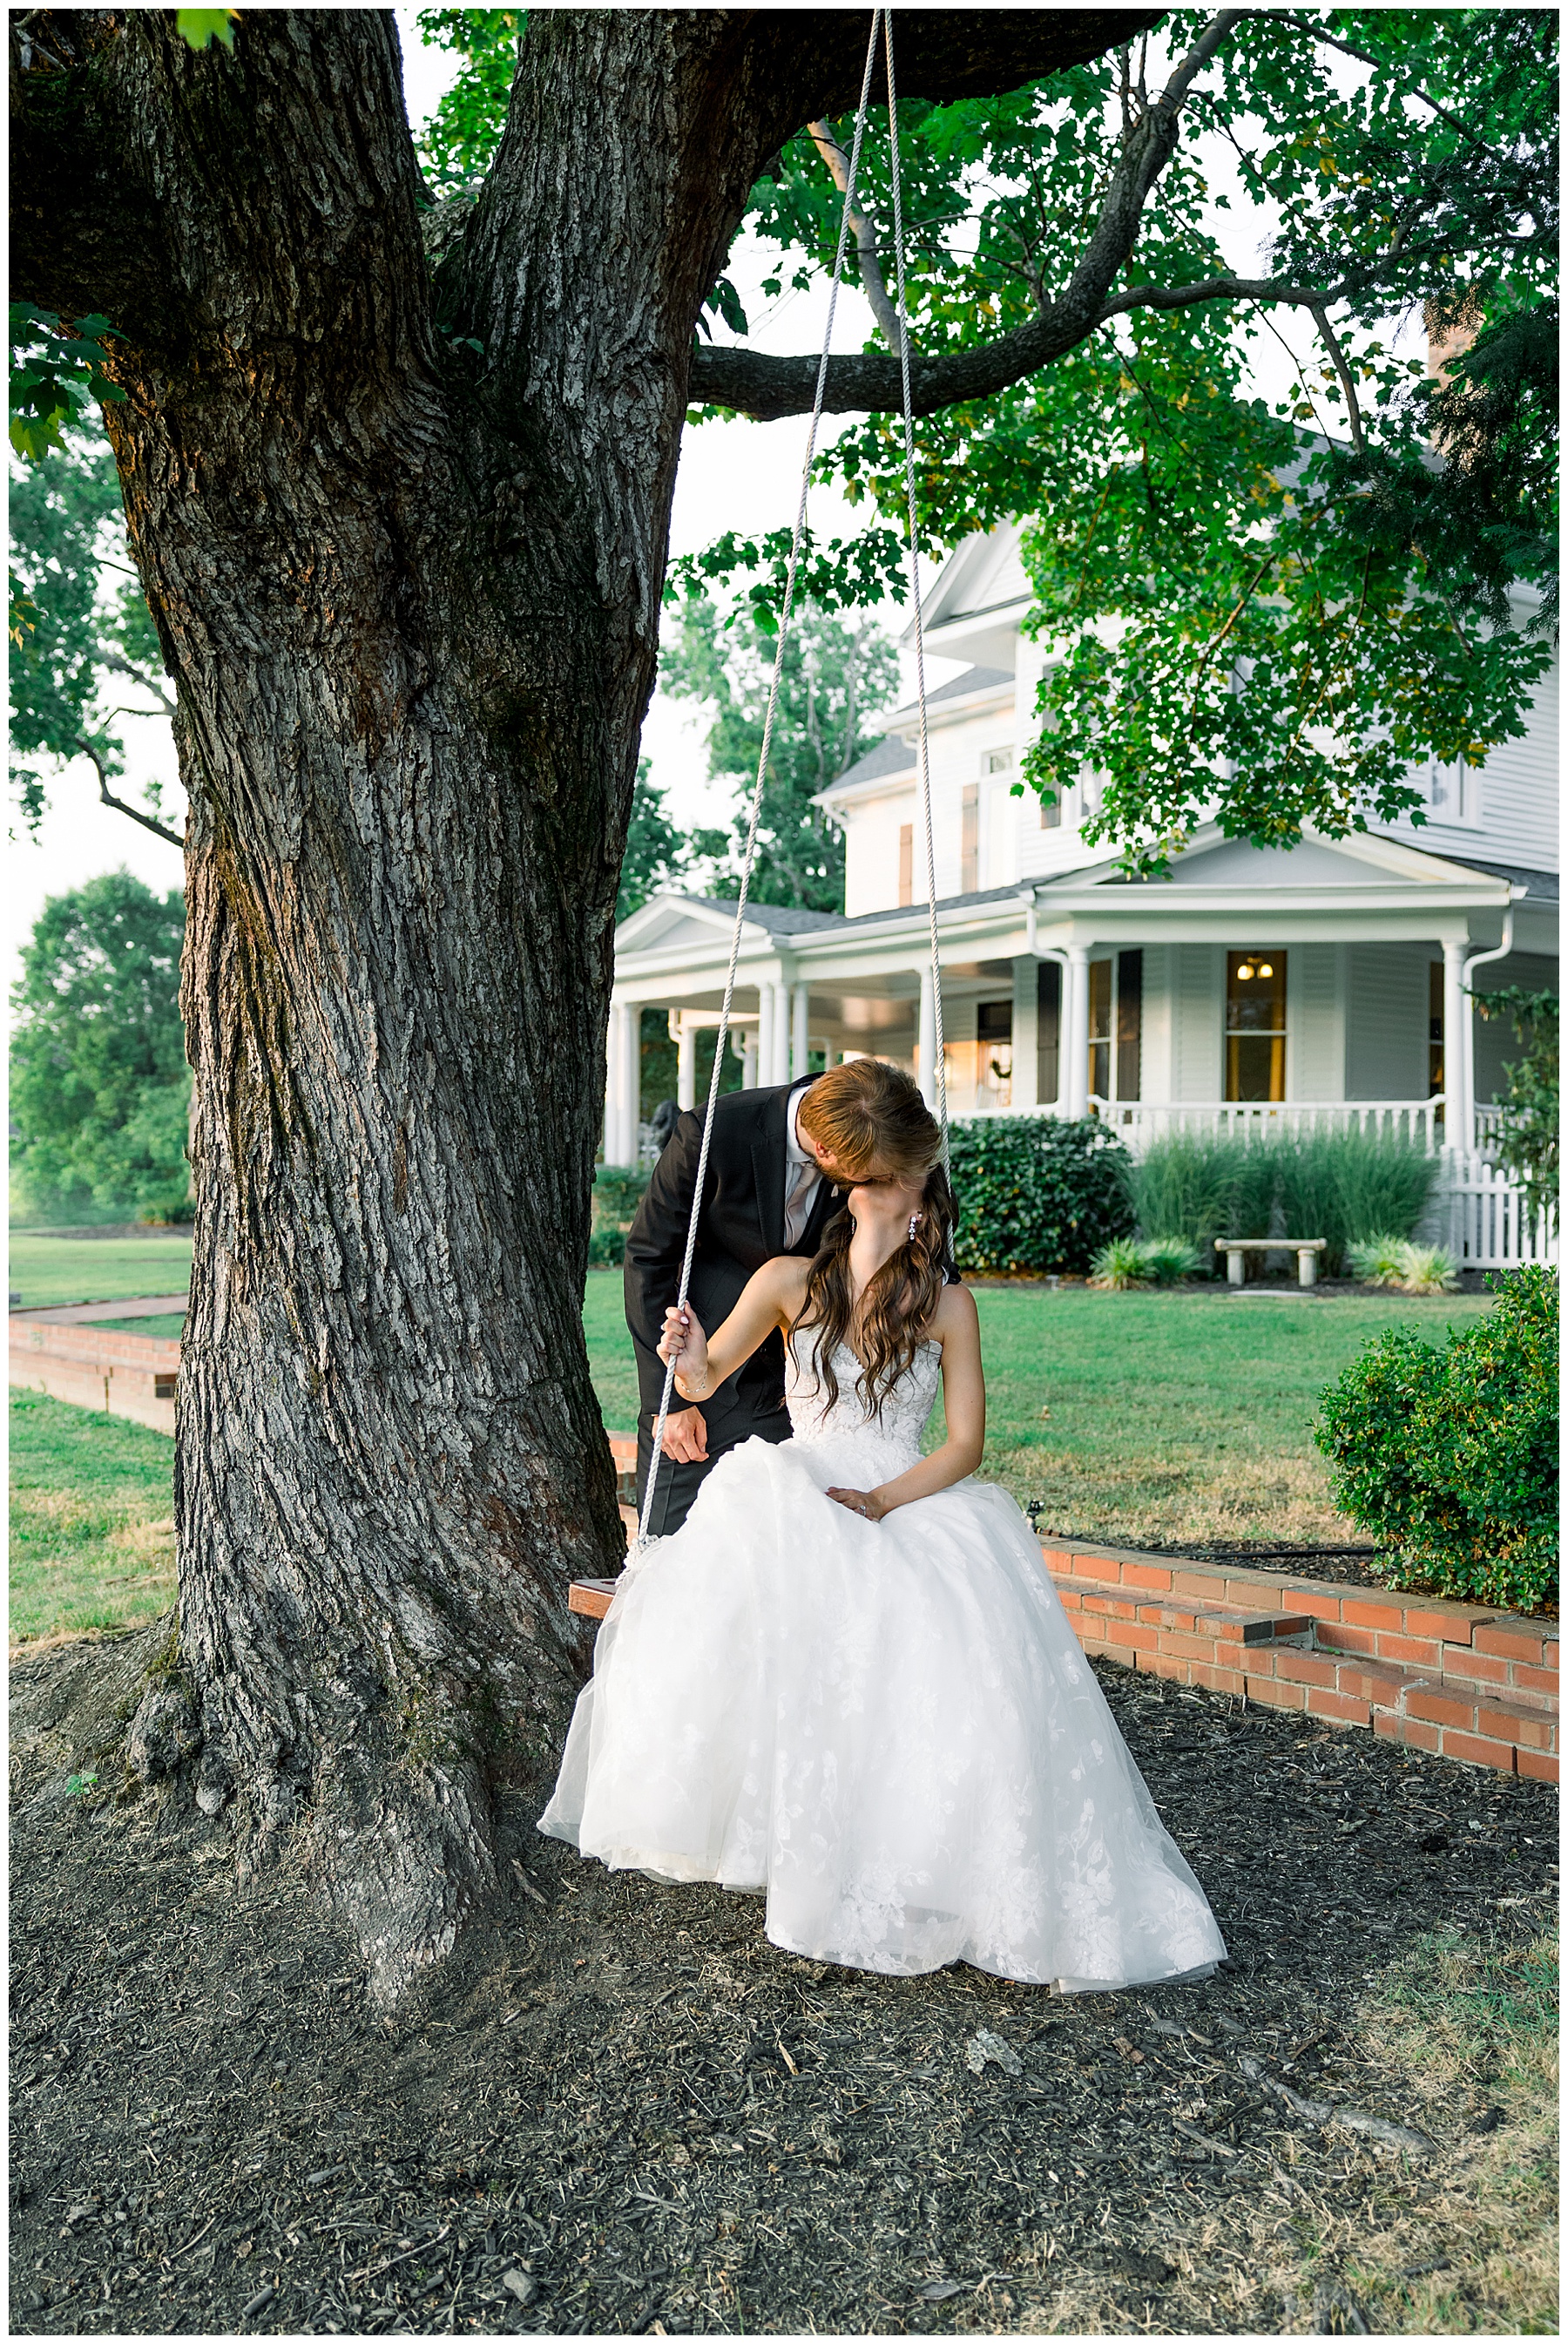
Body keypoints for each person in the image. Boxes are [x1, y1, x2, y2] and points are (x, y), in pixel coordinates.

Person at [542, 1074, 1227, 1990]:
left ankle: (915, 1847)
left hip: (901, 1489)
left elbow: (966, 1445)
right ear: (851, 1187)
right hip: (803, 1475)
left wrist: (885, 1500)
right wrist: (686, 1352)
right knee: (754, 1571)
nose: (892, 1191)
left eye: (908, 1184)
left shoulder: (947, 1305)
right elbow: (704, 1380)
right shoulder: (786, 1281)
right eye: (880, 1179)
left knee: (933, 1638)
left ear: (918, 1204)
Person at [624, 1057, 942, 1538]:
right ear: (826, 1152)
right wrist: (667, 1399)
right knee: (671, 1546)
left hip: (807, 1393)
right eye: (874, 1177)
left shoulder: (881, 1135)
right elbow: (649, 1260)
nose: (883, 1185)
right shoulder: (713, 1132)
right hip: (707, 1377)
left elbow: (917, 1237)